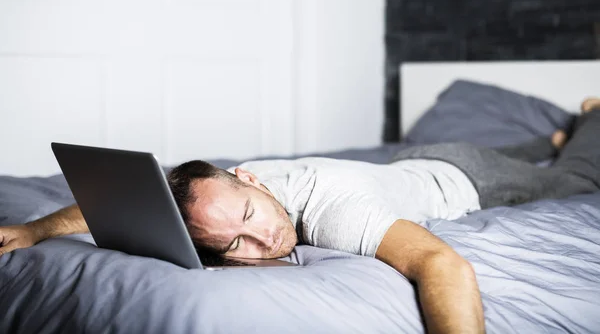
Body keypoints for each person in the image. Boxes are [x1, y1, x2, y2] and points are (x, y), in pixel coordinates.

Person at [2, 97, 600, 334]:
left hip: (464, 179)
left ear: (252, 181)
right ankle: (548, 139)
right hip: (415, 158)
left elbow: (443, 265)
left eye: (250, 215)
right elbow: (133, 196)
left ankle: (590, 119)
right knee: (531, 153)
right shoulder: (218, 186)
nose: (264, 239)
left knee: (574, 178)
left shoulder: (337, 213)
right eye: (234, 243)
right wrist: (34, 229)